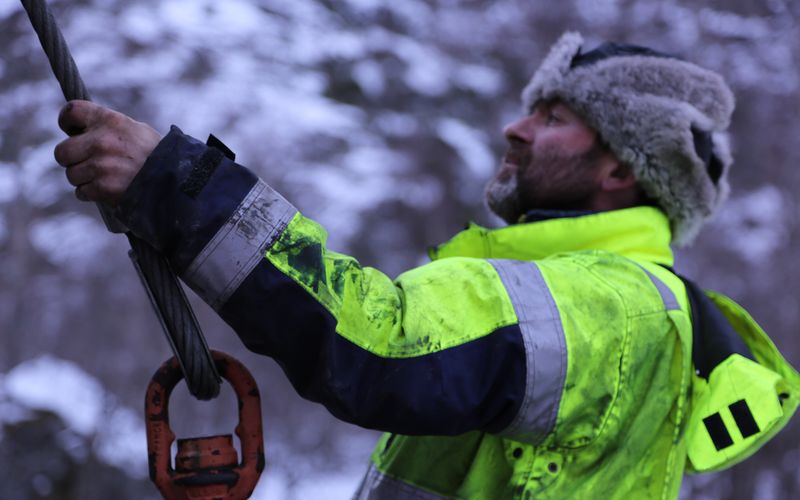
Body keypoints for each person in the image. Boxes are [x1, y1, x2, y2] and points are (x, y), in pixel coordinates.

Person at [53, 32, 798, 499]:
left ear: (620, 172)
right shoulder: (626, 299)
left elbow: (386, 346)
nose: (516, 126)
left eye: (555, 118)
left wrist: (175, 183)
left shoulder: (608, 304)